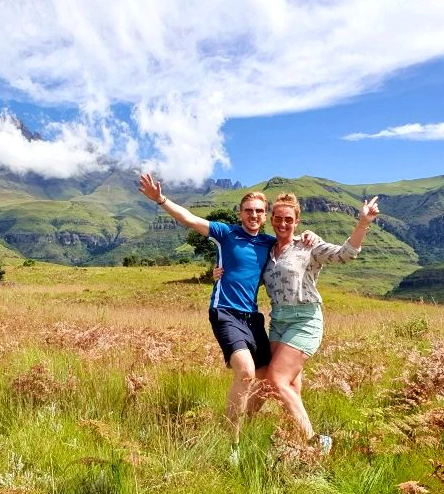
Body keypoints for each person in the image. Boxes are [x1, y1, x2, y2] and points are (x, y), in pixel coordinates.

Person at [138, 173, 317, 449]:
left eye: (259, 211)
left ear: (265, 215)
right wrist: (161, 199)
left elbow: (289, 242)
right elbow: (190, 219)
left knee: (271, 379)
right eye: (248, 211)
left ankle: (260, 431)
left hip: (253, 317)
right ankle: (231, 443)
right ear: (240, 213)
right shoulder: (226, 233)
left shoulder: (269, 243)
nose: (253, 215)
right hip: (225, 312)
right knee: (245, 372)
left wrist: (309, 235)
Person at [215, 192, 379, 454]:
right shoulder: (267, 251)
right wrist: (221, 274)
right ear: (271, 219)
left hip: (305, 319)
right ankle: (249, 434)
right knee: (275, 382)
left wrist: (363, 223)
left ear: (297, 220)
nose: (282, 224)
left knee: (278, 380)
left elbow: (346, 254)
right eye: (278, 218)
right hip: (278, 320)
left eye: (288, 219)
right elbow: (247, 277)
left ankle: (315, 442)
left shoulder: (308, 245)